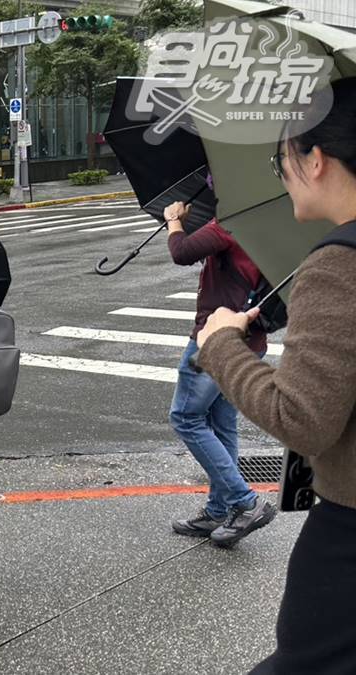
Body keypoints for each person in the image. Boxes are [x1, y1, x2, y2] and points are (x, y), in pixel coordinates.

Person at [196, 78, 356, 673]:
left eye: (281, 158)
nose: (282, 172)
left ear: (316, 160)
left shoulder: (338, 266)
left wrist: (221, 344)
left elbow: (303, 418)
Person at [162, 203, 277, 547]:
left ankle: (245, 502)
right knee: (221, 423)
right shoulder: (269, 225)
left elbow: (182, 252)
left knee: (185, 417)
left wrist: (173, 221)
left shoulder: (231, 223)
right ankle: (218, 509)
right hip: (249, 341)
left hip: (216, 339)